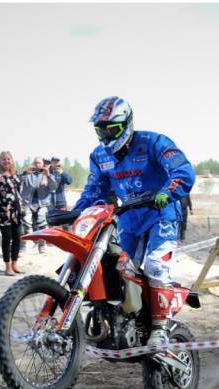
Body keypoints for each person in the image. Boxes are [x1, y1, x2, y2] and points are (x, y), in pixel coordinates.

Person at [73, 95, 195, 345]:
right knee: (118, 272)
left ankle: (160, 328)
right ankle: (126, 321)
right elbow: (94, 190)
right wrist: (75, 212)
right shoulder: (99, 156)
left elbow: (183, 171)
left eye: (112, 129)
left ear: (126, 124)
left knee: (154, 266)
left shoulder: (153, 142)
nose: (107, 135)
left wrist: (167, 191)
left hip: (161, 214)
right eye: (101, 130)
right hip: (128, 219)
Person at [0, 151, 24, 276]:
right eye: (4, 159)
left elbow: (18, 192)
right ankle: (7, 267)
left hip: (17, 211)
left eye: (8, 159)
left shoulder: (15, 176)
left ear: (12, 161)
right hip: (3, 213)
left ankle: (15, 264)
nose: (6, 161)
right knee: (7, 239)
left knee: (18, 238)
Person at [20, 156, 57, 254]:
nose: (37, 165)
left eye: (39, 163)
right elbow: (17, 181)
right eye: (35, 163)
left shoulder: (47, 175)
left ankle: (42, 246)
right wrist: (24, 172)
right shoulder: (28, 174)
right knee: (26, 225)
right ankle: (23, 247)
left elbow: (53, 187)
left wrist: (48, 175)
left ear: (43, 164)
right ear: (33, 163)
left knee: (42, 224)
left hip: (42, 203)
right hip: (28, 203)